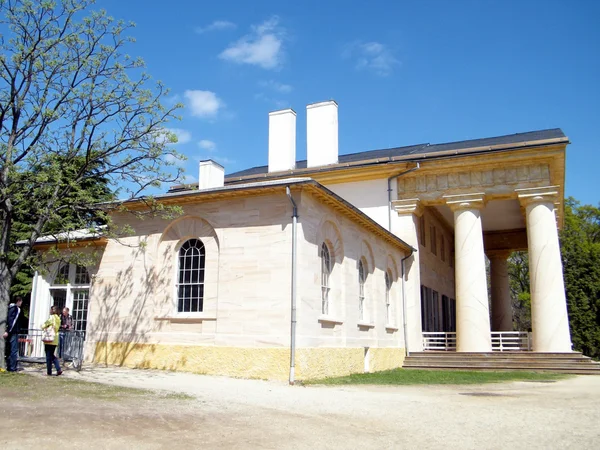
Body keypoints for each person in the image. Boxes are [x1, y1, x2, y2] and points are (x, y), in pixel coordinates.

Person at [3, 296, 23, 372]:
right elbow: (12, 321)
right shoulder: (16, 309)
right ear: (18, 301)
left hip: (10, 331)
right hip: (13, 332)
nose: (21, 303)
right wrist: (8, 331)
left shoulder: (9, 308)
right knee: (13, 350)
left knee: (9, 349)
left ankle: (9, 365)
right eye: (21, 302)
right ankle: (12, 367)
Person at [41, 306, 62, 376]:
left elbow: (44, 325)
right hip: (55, 338)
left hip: (49, 338)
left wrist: (43, 326)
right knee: (52, 355)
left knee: (48, 356)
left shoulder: (52, 317)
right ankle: (58, 368)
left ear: (53, 310)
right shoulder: (58, 318)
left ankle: (49, 372)